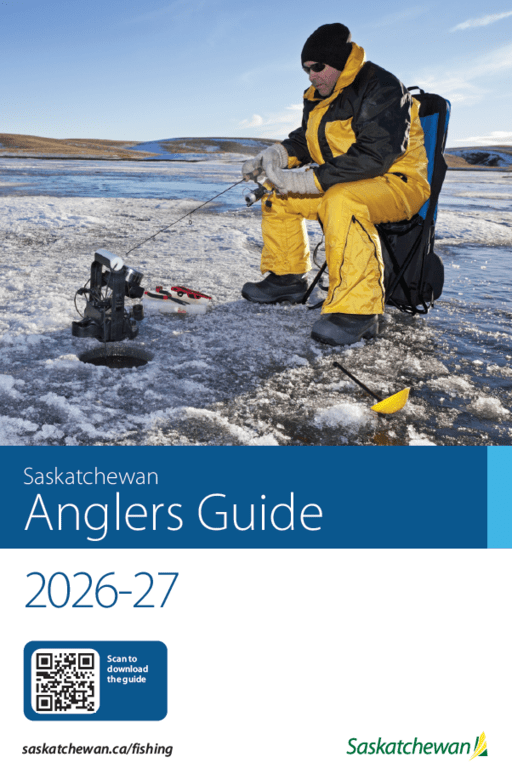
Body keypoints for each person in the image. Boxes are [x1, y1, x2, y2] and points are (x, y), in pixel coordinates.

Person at [241, 23, 430, 346]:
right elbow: (307, 140)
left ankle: (358, 311)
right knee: (278, 196)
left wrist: (309, 179)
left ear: (340, 62)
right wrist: (276, 155)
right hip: (347, 180)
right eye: (306, 69)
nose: (311, 75)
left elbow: (375, 155)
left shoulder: (381, 86)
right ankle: (287, 277)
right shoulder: (318, 96)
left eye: (317, 67)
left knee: (341, 200)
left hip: (397, 183)